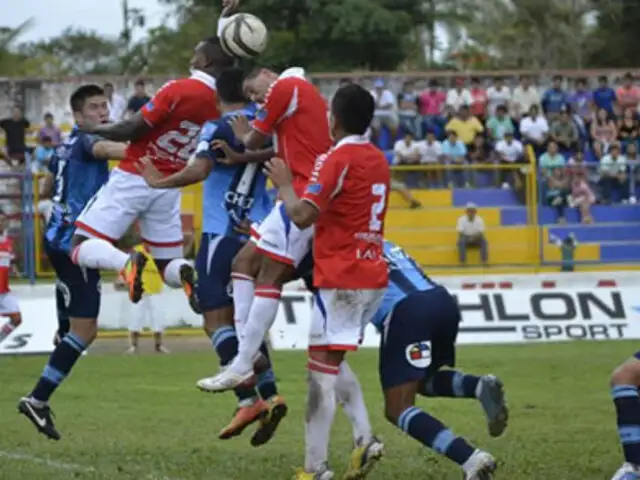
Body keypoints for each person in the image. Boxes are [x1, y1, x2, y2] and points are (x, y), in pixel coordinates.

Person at [137, 67, 287, 445]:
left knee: (212, 315)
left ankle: (248, 398)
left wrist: (158, 181)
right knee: (243, 321)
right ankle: (270, 396)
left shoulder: (219, 125)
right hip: (261, 233)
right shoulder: (268, 125)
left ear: (217, 96)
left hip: (224, 230)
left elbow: (199, 169)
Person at [264, 83, 390, 479]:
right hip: (371, 274)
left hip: (341, 278)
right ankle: (365, 439)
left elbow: (302, 215)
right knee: (329, 362)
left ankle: (315, 469)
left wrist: (284, 183)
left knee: (319, 375)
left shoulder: (335, 158)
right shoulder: (377, 157)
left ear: (332, 118)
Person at [72, 11, 237, 312]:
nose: (192, 55)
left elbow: (131, 129)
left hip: (135, 173)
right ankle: (185, 272)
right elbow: (223, 56)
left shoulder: (178, 89)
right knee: (167, 264)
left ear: (205, 61)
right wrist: (227, 25)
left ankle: (126, 263)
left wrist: (94, 128)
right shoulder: (221, 103)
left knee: (81, 244)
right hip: (169, 184)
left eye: (197, 52)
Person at [303, 240, 506, 480]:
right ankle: (477, 385)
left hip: (406, 313)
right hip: (441, 300)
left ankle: (471, 459)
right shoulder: (378, 239)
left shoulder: (332, 249)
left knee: (397, 407)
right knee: (421, 380)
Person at [196, 65, 332, 391]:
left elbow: (253, 138)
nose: (257, 99)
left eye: (255, 92)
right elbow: (274, 150)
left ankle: (243, 361)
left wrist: (243, 136)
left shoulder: (285, 87)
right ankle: (248, 354)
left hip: (300, 193)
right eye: (252, 97)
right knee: (243, 264)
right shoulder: (297, 99)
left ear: (269, 74)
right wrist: (241, 156)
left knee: (267, 275)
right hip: (302, 192)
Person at [17, 84, 129, 441]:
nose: (103, 112)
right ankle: (37, 399)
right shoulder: (85, 142)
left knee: (69, 331)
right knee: (87, 331)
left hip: (56, 237)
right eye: (95, 107)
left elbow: (48, 188)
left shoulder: (62, 147)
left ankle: (63, 336)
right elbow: (112, 148)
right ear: (78, 116)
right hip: (77, 243)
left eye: (105, 105)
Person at [125, 244, 169, 354]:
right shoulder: (137, 250)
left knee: (158, 319)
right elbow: (129, 267)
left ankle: (158, 346)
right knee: (135, 318)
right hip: (139, 290)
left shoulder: (160, 252)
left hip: (156, 290)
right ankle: (133, 346)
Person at [0, 212, 21, 345]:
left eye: (3, 220)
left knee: (16, 319)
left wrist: (14, 270)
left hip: (4, 289)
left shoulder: (8, 242)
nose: (2, 223)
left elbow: (9, 261)